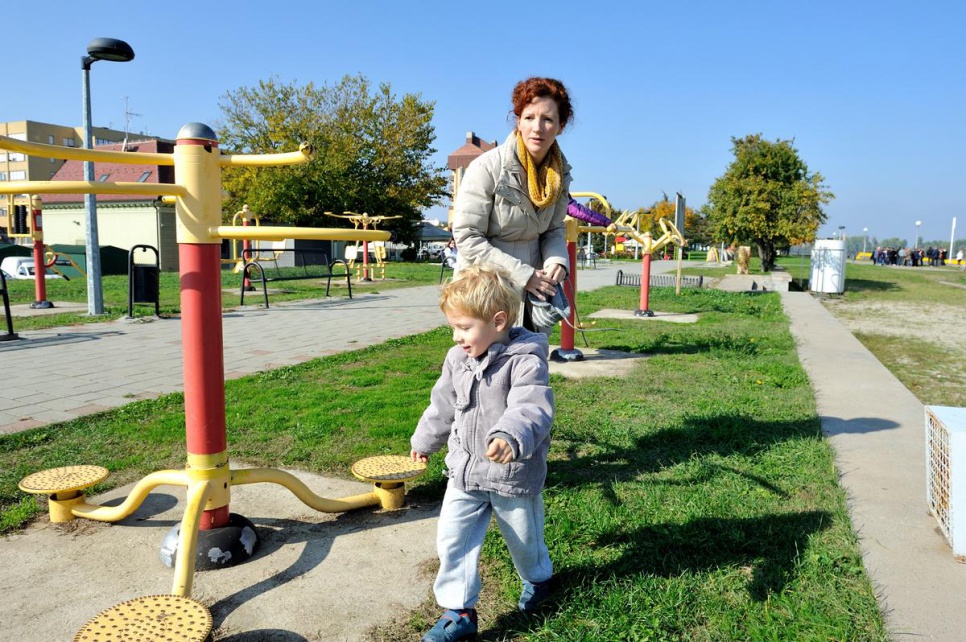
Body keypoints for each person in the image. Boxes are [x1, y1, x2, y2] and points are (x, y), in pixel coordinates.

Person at [411, 263, 555, 642]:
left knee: (524, 540)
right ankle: (459, 611)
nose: (457, 337)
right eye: (453, 328)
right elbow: (442, 405)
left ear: (499, 321)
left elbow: (532, 406)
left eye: (464, 327)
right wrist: (425, 441)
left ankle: (538, 579)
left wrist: (511, 435)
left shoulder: (525, 361)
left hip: (512, 475)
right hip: (465, 471)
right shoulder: (457, 359)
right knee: (453, 538)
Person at [452, 77, 574, 333]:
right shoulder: (487, 167)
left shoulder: (560, 174)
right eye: (529, 117)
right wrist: (523, 275)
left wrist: (557, 262)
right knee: (486, 368)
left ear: (561, 126)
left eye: (548, 119)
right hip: (485, 289)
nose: (537, 128)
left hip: (536, 293)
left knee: (531, 367)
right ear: (518, 120)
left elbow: (553, 230)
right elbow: (466, 236)